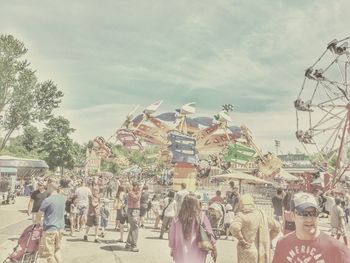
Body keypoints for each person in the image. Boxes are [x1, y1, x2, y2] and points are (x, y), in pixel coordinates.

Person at [273, 192, 350, 262]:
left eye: (314, 213)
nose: (309, 219)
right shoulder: (282, 244)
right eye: (304, 214)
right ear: (292, 216)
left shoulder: (337, 250)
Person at [230, 194, 280, 263]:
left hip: (246, 250)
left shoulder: (241, 215)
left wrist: (241, 239)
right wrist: (268, 238)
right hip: (261, 251)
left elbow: (234, 228)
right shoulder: (262, 215)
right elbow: (277, 227)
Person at [169, 194, 217, 263]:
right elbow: (209, 232)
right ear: (196, 204)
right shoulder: (201, 216)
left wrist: (172, 248)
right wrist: (213, 245)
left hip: (180, 251)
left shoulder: (177, 218)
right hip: (198, 250)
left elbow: (172, 235)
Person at [36, 179, 65, 263]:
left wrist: (38, 222)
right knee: (57, 250)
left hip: (50, 229)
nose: (46, 188)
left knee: (49, 255)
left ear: (50, 186)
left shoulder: (47, 200)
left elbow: (39, 213)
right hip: (60, 228)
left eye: (47, 186)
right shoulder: (62, 198)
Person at [125, 181, 141, 252]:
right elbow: (136, 199)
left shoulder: (134, 192)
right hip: (133, 211)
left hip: (134, 210)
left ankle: (128, 244)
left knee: (133, 228)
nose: (139, 187)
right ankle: (133, 246)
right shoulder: (131, 192)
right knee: (135, 228)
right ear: (134, 186)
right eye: (138, 186)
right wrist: (140, 192)